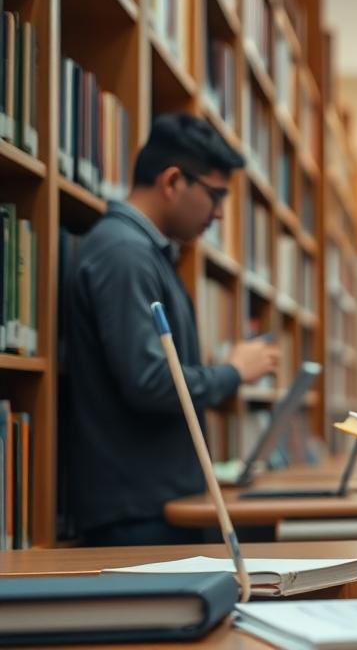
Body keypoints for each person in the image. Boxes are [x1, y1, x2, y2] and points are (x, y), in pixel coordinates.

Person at [64, 113, 280, 546]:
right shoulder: (124, 255)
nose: (220, 213)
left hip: (151, 506)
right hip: (135, 517)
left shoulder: (147, 254)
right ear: (172, 181)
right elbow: (152, 382)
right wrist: (232, 373)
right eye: (215, 195)